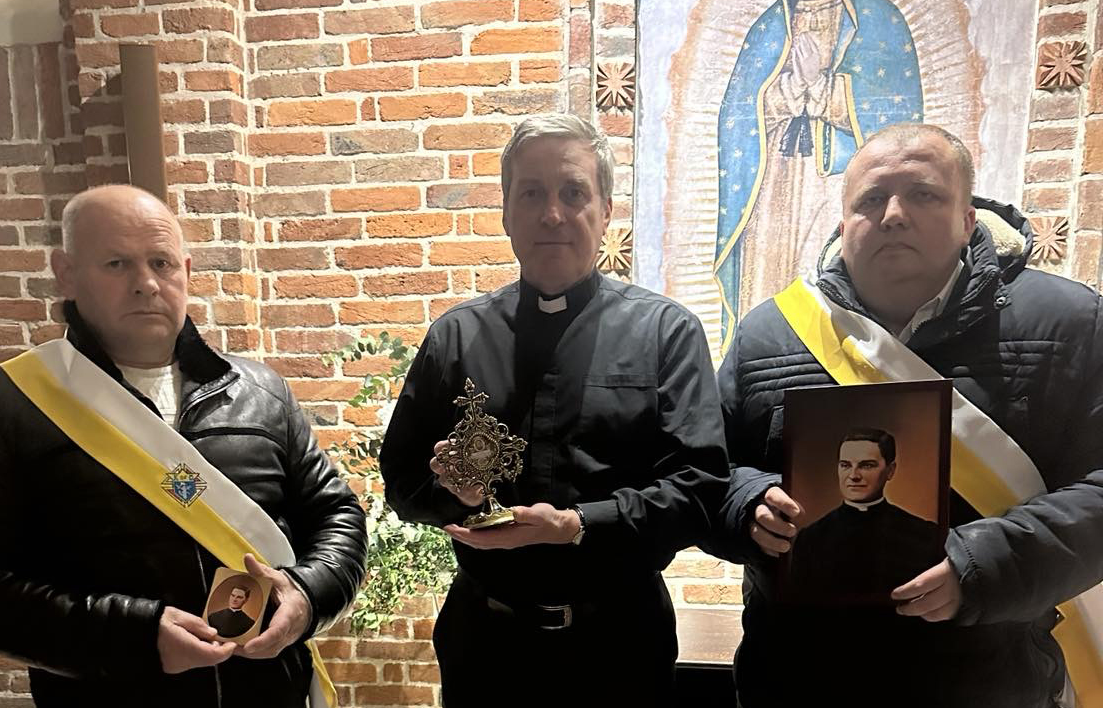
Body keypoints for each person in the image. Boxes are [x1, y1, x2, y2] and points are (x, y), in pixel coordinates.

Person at [0, 184, 368, 708]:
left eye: (162, 262)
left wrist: (308, 593)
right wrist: (133, 634)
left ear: (187, 270)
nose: (146, 284)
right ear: (66, 272)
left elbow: (336, 514)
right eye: (116, 264)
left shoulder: (262, 392)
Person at [714, 123, 1103, 706]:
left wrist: (989, 564)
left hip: (985, 680)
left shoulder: (1069, 322)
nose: (893, 214)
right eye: (870, 199)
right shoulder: (769, 333)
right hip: (799, 677)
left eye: (923, 194)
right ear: (843, 222)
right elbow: (704, 470)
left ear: (968, 216)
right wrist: (747, 505)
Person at [379, 114, 730, 707]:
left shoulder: (667, 333)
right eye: (532, 194)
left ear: (606, 210)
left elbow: (700, 491)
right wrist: (454, 496)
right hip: (485, 647)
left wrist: (579, 524)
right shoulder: (455, 338)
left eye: (574, 193)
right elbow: (401, 481)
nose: (552, 215)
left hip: (621, 649)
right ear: (506, 213)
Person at [714, 0, 923, 350]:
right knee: (771, 278)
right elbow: (737, 112)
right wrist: (783, 95)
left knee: (825, 277)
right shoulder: (772, 27)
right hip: (776, 185)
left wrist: (823, 90)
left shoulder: (876, 22)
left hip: (838, 184)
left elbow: (901, 127)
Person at [788, 428, 943, 605]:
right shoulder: (810, 539)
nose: (853, 476)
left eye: (867, 465)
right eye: (845, 465)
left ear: (890, 470)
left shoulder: (926, 534)